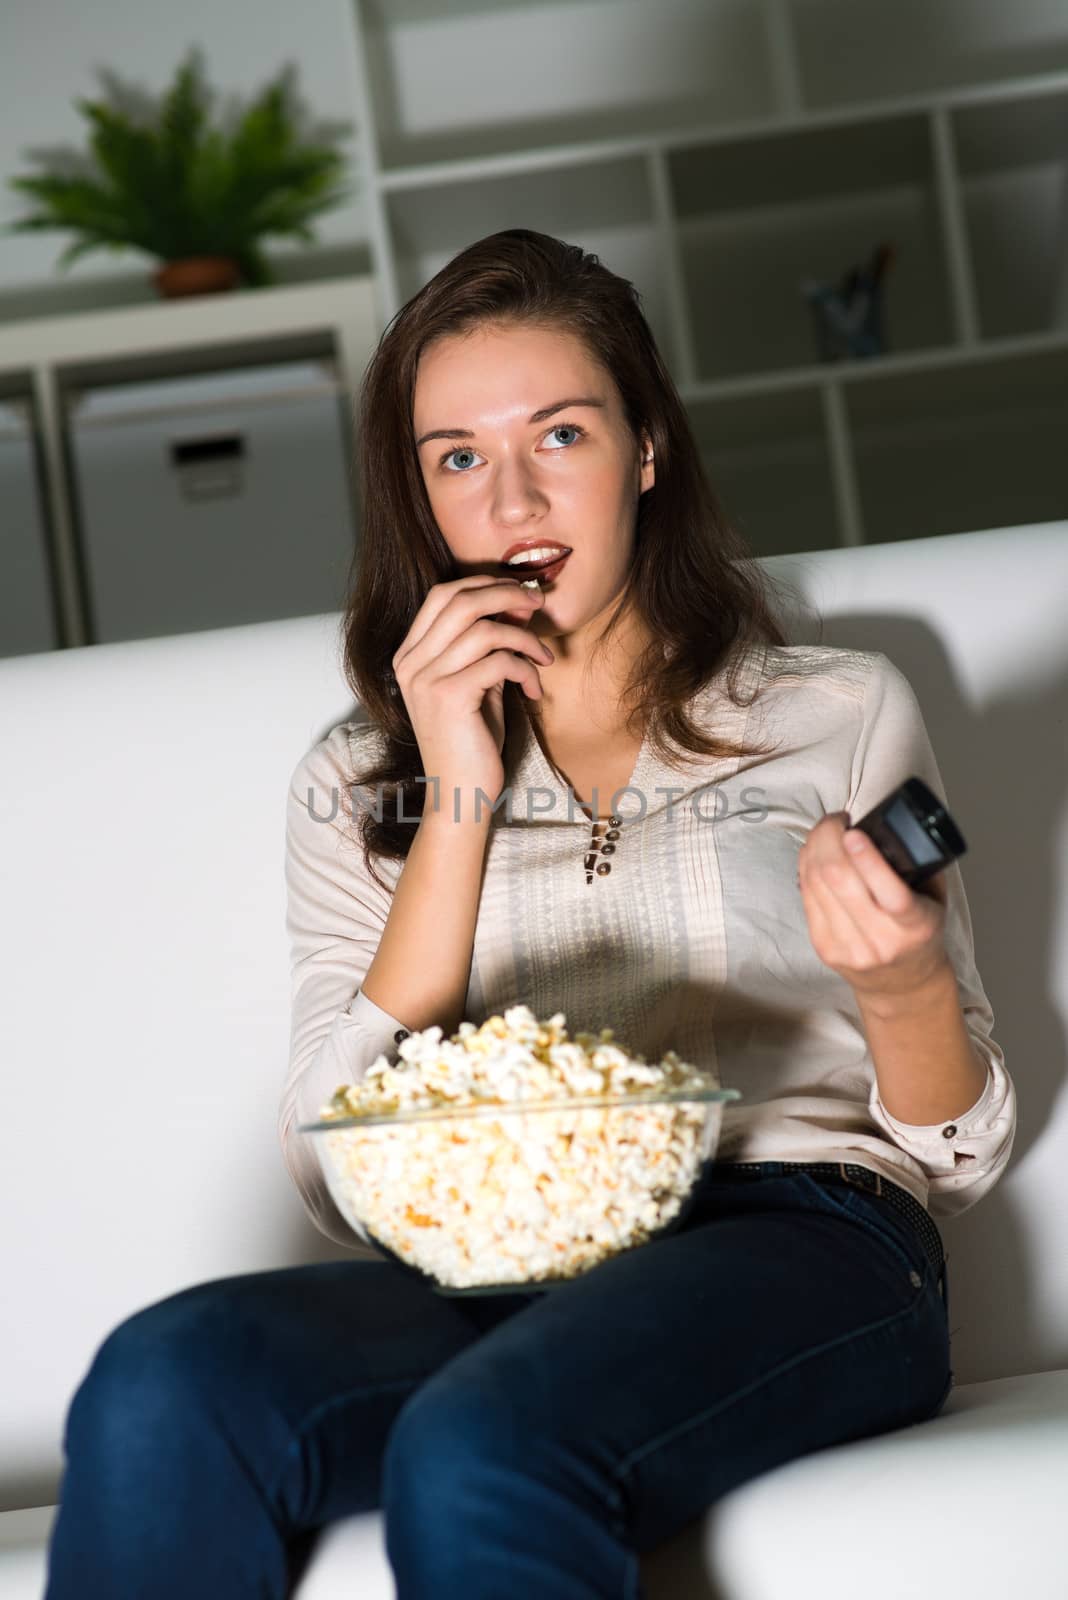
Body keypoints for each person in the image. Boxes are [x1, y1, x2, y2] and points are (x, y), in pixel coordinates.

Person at [45, 229, 1017, 1600]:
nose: (511, 501)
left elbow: (958, 1154)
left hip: (806, 1243)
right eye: (457, 458)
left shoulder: (835, 711)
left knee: (482, 1443)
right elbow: (336, 1177)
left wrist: (904, 978)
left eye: (559, 433)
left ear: (647, 448)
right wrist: (455, 790)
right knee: (166, 1382)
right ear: (419, 496)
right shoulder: (354, 780)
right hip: (496, 1274)